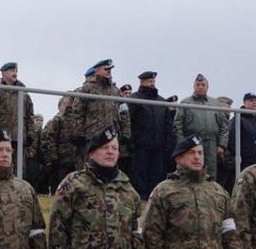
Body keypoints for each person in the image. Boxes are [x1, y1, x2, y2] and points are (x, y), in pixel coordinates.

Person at [66, 59, 131, 167]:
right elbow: (77, 112)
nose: (109, 71)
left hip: (111, 137)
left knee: (110, 168)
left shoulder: (116, 91)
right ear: (97, 71)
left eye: (110, 69)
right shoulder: (87, 89)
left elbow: (124, 113)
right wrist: (78, 134)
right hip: (92, 137)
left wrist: (126, 134)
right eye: (106, 69)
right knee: (89, 168)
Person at [173, 74, 228, 181]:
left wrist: (222, 144)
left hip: (211, 143)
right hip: (192, 142)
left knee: (210, 171)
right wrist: (182, 144)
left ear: (207, 87)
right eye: (197, 85)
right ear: (193, 87)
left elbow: (224, 126)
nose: (200, 87)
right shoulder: (186, 103)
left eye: (203, 85)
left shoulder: (215, 104)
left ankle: (211, 195)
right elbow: (177, 125)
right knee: (190, 169)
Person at [129, 71, 170, 200]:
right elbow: (128, 122)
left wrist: (167, 142)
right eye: (149, 81)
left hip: (158, 145)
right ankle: (140, 200)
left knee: (157, 175)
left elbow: (167, 124)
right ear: (142, 82)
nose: (152, 84)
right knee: (139, 174)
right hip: (140, 145)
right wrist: (131, 142)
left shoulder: (161, 102)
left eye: (153, 81)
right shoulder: (134, 99)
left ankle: (154, 200)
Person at [0, 62, 36, 167]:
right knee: (0, 166)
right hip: (1, 137)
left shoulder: (24, 94)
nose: (15, 73)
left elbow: (29, 117)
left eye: (16, 71)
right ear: (3, 73)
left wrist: (30, 135)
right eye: (12, 71)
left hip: (19, 138)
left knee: (19, 169)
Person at [226, 92, 256, 191]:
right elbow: (232, 139)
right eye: (251, 100)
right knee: (245, 187)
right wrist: (237, 155)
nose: (254, 103)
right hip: (246, 161)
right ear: (244, 102)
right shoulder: (239, 118)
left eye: (255, 100)